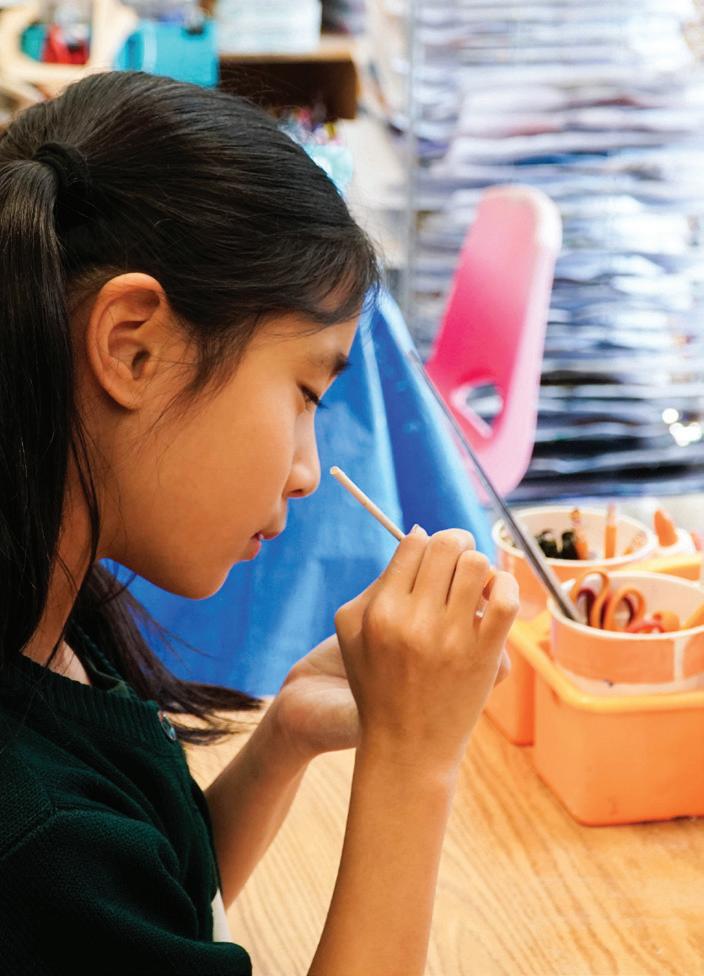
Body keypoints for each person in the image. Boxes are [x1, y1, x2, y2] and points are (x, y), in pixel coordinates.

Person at [0, 71, 519, 975]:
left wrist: (286, 738)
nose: (308, 473)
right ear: (133, 347)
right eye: (306, 391)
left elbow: (152, 907)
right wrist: (413, 762)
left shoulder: (47, 612)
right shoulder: (37, 841)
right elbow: (84, 877)